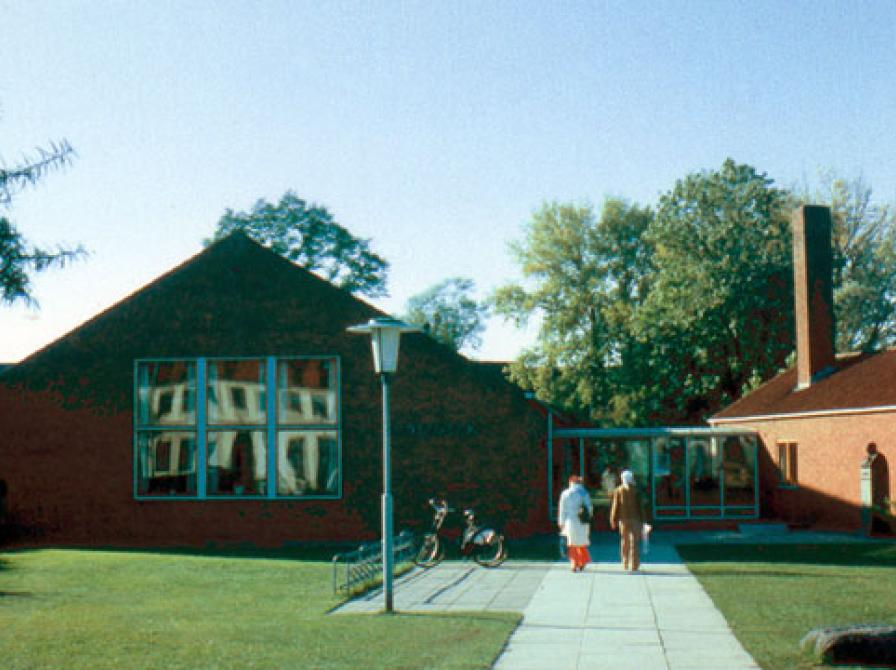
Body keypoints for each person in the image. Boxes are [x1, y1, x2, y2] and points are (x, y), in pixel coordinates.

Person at [610, 469, 649, 572]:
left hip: (623, 520)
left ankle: (625, 562)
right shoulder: (636, 490)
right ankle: (634, 564)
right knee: (634, 543)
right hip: (636, 519)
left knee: (624, 541)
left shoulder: (618, 490)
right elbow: (641, 507)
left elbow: (615, 506)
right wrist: (644, 520)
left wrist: (613, 519)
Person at [557, 474, 593, 572]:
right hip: (582, 521)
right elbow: (589, 508)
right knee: (581, 543)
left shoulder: (565, 493)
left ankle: (574, 563)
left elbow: (562, 509)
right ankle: (583, 561)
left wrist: (561, 522)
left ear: (570, 482)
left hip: (570, 521)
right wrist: (588, 516)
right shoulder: (584, 493)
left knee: (571, 544)